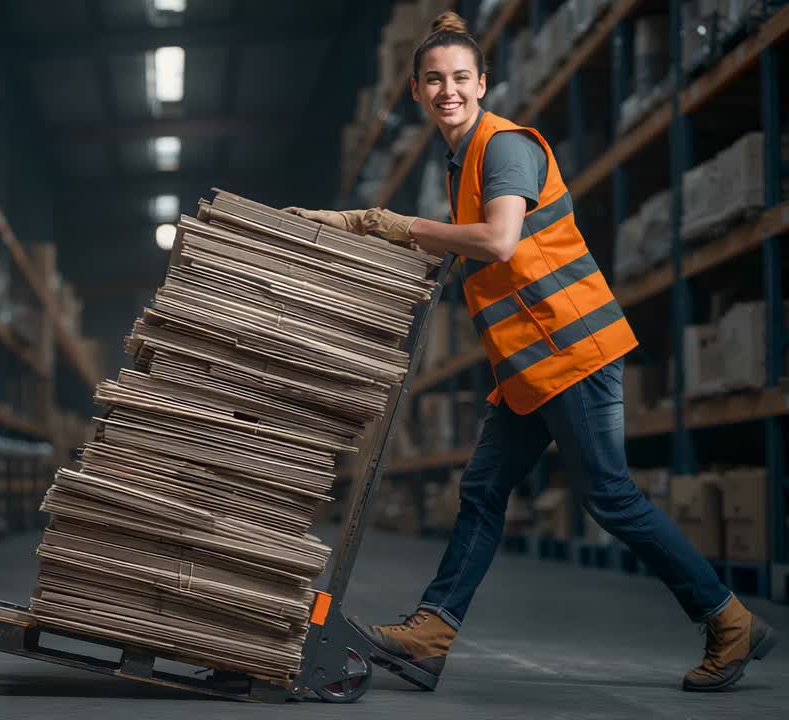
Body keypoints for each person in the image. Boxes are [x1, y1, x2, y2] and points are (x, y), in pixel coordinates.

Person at [286, 11, 777, 693]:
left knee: (611, 496)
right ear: (417, 90)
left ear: (483, 83)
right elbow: (457, 248)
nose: (447, 90)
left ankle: (727, 620)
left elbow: (498, 241)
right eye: (434, 80)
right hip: (528, 364)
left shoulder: (504, 148)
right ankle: (431, 634)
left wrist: (388, 221)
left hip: (570, 349)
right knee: (485, 489)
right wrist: (350, 231)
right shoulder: (460, 164)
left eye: (460, 77)